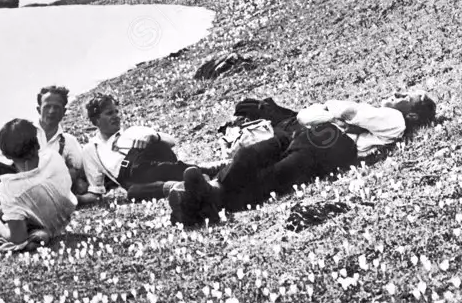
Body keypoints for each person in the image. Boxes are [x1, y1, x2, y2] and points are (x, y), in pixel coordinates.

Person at [172, 90, 438, 224]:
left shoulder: (396, 120)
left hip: (326, 148)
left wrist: (322, 111)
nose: (397, 94)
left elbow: (350, 112)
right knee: (255, 157)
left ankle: (209, 200)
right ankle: (206, 195)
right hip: (317, 140)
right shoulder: (391, 117)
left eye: (406, 97)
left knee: (270, 174)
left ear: (413, 114)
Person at [0, 118, 78, 251]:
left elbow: (18, 239)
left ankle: (32, 230)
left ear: (6, 155)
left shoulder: (9, 189)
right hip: (62, 219)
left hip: (41, 222)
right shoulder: (53, 157)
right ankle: (39, 232)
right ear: (37, 143)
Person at [0, 85, 91, 210]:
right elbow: (11, 156)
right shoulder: (22, 130)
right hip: (17, 180)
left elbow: (79, 174)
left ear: (64, 111)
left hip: (41, 191)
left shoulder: (69, 142)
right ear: (38, 109)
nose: (51, 111)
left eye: (57, 107)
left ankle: (6, 212)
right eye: (47, 107)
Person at [78, 92, 219, 203]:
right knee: (133, 192)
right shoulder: (91, 149)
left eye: (116, 112)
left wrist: (153, 136)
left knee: (155, 168)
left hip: (153, 166)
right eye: (109, 113)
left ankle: (204, 173)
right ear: (96, 120)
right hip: (132, 179)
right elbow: (95, 192)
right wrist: (76, 200)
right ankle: (191, 181)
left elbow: (171, 141)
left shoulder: (132, 131)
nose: (116, 116)